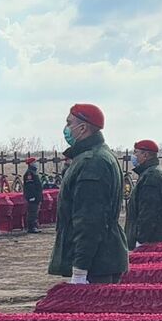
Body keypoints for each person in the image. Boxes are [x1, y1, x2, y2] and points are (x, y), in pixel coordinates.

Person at [47, 104, 130, 285]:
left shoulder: (92, 162)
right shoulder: (98, 156)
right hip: (102, 259)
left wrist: (80, 268)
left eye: (69, 123)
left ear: (83, 128)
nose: (66, 129)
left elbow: (89, 219)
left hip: (97, 263)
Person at [22, 156, 43, 232]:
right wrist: (31, 196)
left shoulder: (34, 172)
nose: (36, 163)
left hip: (36, 196)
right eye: (34, 162)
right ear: (30, 163)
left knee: (35, 212)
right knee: (32, 212)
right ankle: (31, 227)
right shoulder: (29, 173)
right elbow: (29, 186)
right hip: (32, 197)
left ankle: (34, 226)